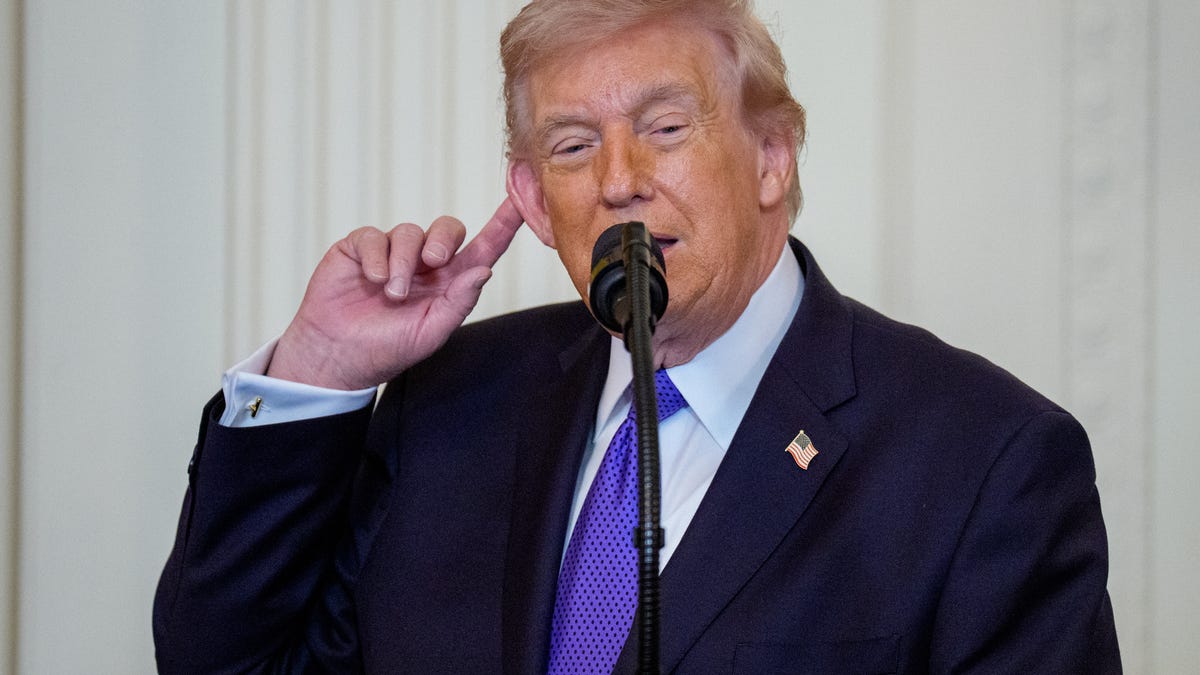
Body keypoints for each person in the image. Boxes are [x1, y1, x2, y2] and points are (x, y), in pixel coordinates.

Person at [154, 0, 1121, 672]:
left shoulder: (983, 458)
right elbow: (228, 662)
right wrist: (321, 370)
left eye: (665, 128)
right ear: (534, 197)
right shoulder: (447, 406)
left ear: (771, 157)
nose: (619, 179)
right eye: (573, 146)